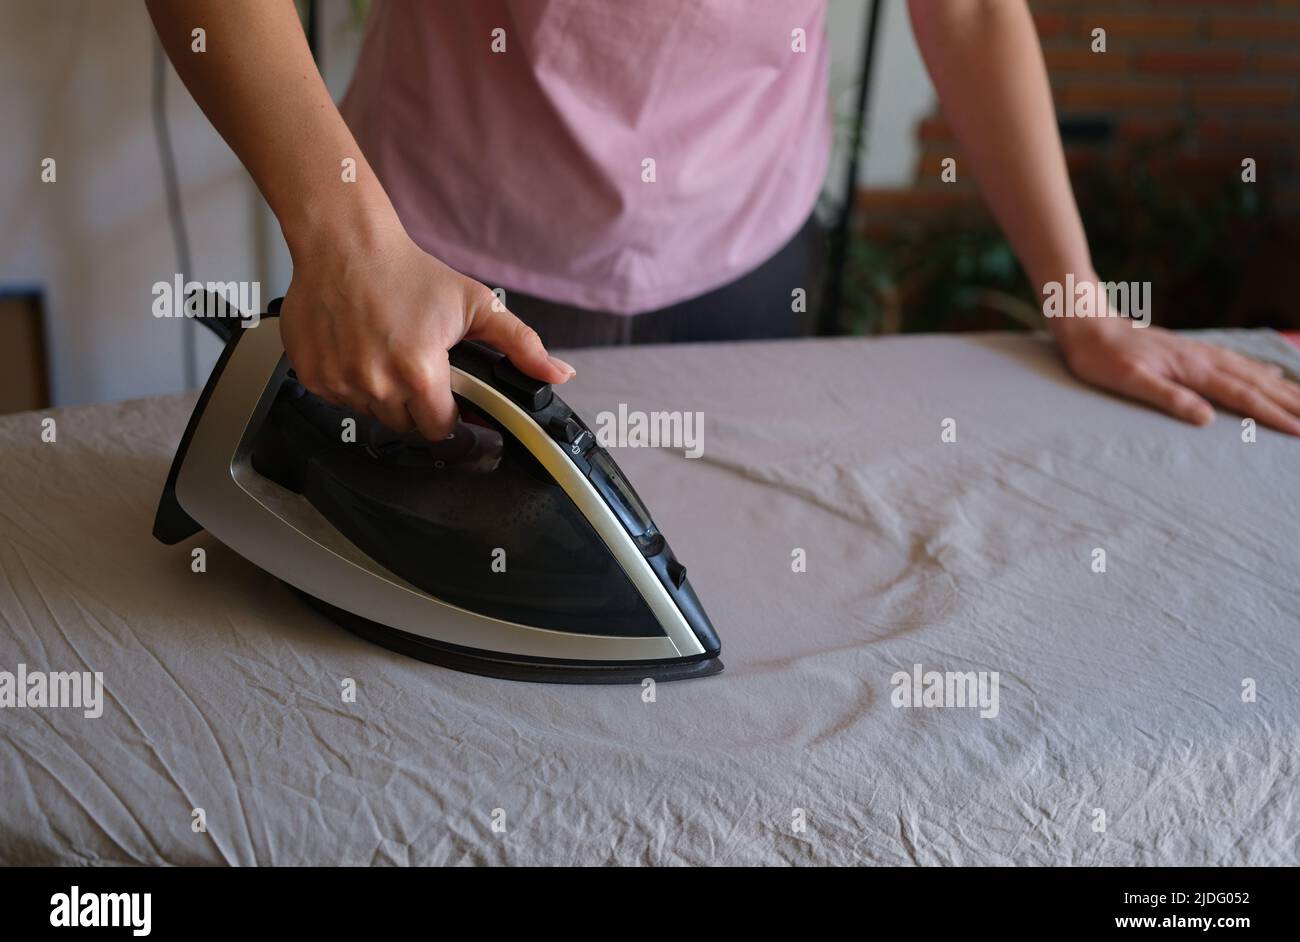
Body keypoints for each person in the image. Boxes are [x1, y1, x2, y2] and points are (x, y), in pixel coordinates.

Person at [146, 0, 1300, 440]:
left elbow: (967, 7)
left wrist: (1078, 300)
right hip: (444, 245)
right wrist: (345, 235)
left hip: (745, 252)